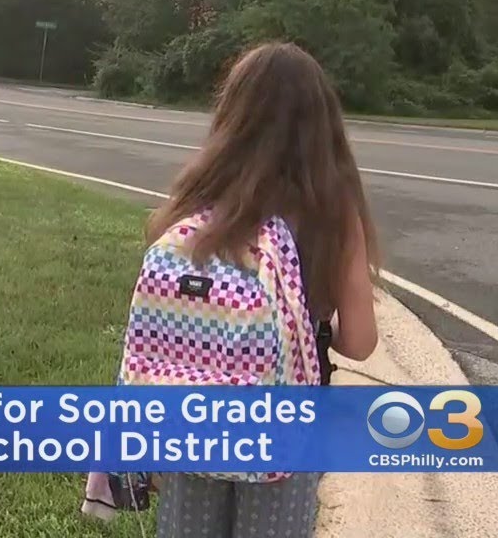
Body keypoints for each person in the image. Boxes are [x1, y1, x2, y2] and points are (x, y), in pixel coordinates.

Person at [87, 43, 380, 538]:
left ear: (233, 115)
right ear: (322, 122)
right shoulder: (332, 208)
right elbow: (360, 343)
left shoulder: (199, 198)